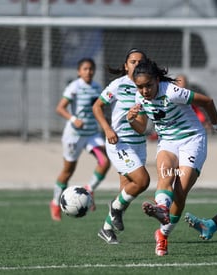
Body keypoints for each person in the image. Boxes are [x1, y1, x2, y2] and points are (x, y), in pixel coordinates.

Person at [126, 59, 217, 256]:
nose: (144, 91)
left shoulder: (172, 92)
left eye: (148, 85)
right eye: (139, 87)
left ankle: (163, 233)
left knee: (180, 192)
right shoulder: (139, 98)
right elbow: (143, 129)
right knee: (166, 177)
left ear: (157, 80)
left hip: (192, 140)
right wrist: (131, 119)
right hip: (167, 142)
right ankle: (162, 209)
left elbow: (207, 102)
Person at [92, 48, 150, 244]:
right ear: (126, 66)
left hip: (138, 144)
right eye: (132, 61)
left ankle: (106, 228)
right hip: (119, 143)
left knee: (127, 190)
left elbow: (143, 126)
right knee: (142, 181)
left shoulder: (148, 87)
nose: (136, 64)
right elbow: (97, 106)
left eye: (140, 62)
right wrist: (108, 130)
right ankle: (114, 208)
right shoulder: (118, 85)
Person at [50, 57, 111, 222]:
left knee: (105, 161)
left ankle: (89, 188)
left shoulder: (98, 88)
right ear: (79, 71)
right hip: (74, 135)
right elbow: (60, 108)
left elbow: (100, 108)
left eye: (91, 69)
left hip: (91, 134)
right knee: (68, 171)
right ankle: (55, 202)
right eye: (85, 69)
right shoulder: (74, 87)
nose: (88, 71)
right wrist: (73, 119)